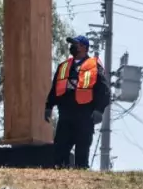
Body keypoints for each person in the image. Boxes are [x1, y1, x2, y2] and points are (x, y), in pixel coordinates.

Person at [44, 35, 109, 169]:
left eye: (75, 44)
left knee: (82, 148)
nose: (72, 47)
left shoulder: (94, 66)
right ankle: (59, 170)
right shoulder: (63, 66)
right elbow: (55, 88)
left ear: (84, 48)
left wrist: (99, 110)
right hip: (65, 113)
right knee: (60, 147)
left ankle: (81, 172)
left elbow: (104, 90)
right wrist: (49, 106)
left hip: (84, 114)